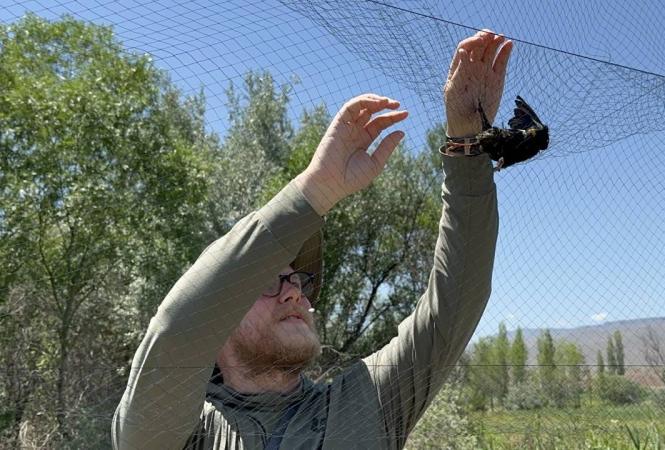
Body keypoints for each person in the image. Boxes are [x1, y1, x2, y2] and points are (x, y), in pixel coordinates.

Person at [113, 29, 513, 449]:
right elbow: (177, 333)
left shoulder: (366, 401)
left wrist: (469, 145)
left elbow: (456, 300)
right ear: (219, 315)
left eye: (298, 281)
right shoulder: (180, 431)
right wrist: (314, 191)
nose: (295, 293)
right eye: (268, 281)